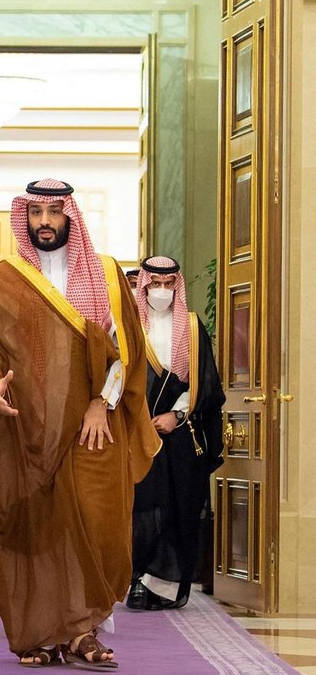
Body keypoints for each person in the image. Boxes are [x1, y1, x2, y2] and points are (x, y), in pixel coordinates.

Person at [0, 178, 159, 670]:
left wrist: (100, 402)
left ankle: (84, 625)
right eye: (35, 214)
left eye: (54, 212)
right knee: (38, 529)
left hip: (95, 427)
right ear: (24, 218)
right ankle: (49, 631)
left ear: (70, 216)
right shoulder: (5, 277)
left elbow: (126, 353)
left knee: (98, 525)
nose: (45, 223)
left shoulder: (108, 275)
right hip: (26, 429)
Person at [128, 256, 224, 610]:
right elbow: (116, 375)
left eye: (170, 285)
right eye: (156, 285)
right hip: (136, 432)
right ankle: (136, 579)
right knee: (143, 507)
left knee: (180, 505)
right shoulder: (129, 324)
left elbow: (206, 381)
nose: (163, 292)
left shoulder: (193, 326)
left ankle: (162, 585)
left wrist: (177, 414)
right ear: (144, 286)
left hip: (180, 432)